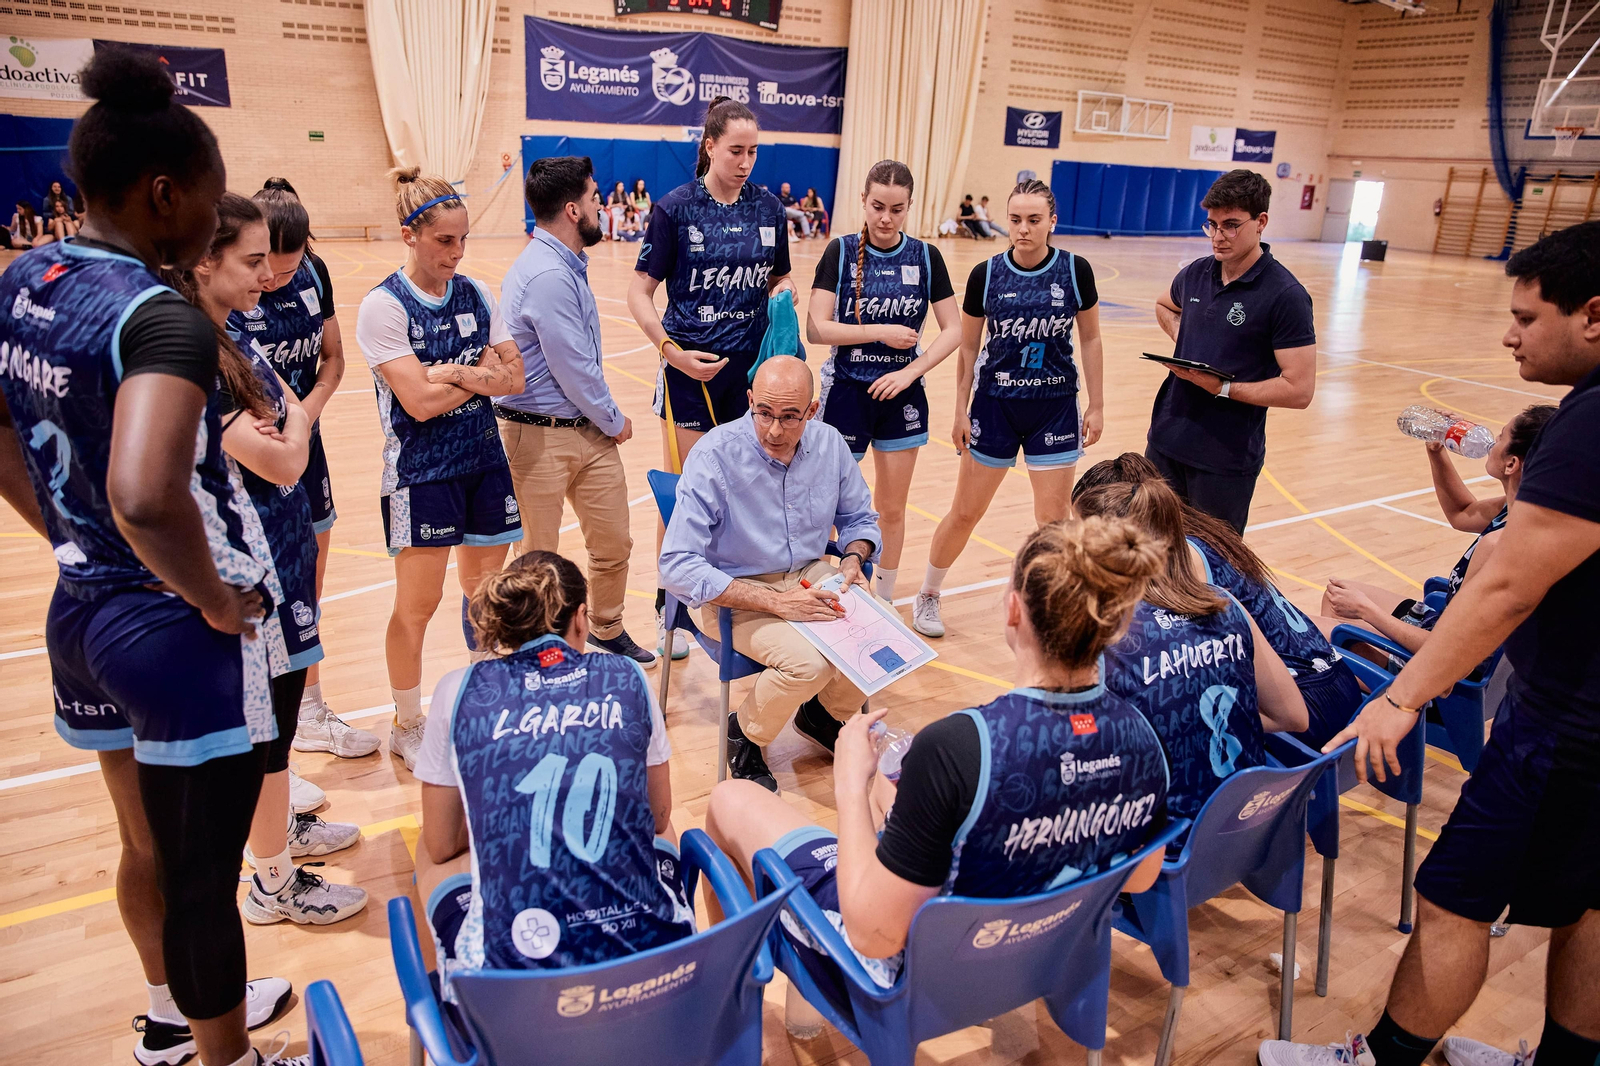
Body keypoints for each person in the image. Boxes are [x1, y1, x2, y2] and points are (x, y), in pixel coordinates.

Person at [0, 49, 302, 1066]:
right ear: (164, 194)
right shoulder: (157, 314)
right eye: (211, 203)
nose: (216, 222)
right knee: (201, 874)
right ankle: (232, 1058)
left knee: (145, 849)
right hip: (165, 631)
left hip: (78, 610)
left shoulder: (26, 276)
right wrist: (215, 600)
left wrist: (65, 534)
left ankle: (171, 1023)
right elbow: (143, 492)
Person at [1262, 220, 1600, 1066]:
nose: (1509, 334)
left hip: (1565, 726)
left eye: (1527, 317)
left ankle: (1378, 1060)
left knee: (1453, 900)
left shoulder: (1587, 428)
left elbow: (1508, 585)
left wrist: (1402, 697)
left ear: (1592, 314)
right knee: (1589, 902)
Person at [706, 515, 1172, 996]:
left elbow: (873, 936)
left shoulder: (958, 746)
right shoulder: (1140, 733)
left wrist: (850, 782)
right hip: (1050, 950)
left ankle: (727, 995)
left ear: (1014, 611)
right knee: (894, 793)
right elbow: (1141, 874)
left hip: (923, 977)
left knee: (731, 798)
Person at [175, 191, 368, 928]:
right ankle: (271, 885)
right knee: (263, 729)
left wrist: (287, 426)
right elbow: (286, 456)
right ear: (204, 261)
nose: (267, 276)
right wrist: (286, 431)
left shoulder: (236, 337)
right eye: (252, 261)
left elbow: (293, 418)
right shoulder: (195, 352)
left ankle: (279, 838)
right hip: (247, 565)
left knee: (282, 721)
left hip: (283, 549)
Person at [413, 550, 694, 985]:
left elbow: (441, 845)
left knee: (428, 847)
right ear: (581, 618)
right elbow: (657, 816)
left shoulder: (457, 689)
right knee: (663, 829)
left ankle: (451, 983)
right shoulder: (627, 674)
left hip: (519, 998)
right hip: (654, 978)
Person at [354, 168, 526, 772]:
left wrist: (447, 372)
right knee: (417, 607)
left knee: (485, 598)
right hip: (422, 474)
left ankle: (482, 704)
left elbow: (516, 380)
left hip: (484, 463)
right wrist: (473, 373)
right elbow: (417, 405)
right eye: (443, 241)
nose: (456, 253)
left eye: (462, 241)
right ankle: (407, 720)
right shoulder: (383, 307)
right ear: (410, 235)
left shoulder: (478, 295)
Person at [659, 357, 880, 789]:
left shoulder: (831, 445)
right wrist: (778, 603)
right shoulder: (715, 454)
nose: (774, 430)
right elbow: (677, 564)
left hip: (812, 576)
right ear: (749, 401)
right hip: (737, 593)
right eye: (764, 413)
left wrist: (854, 557)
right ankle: (744, 732)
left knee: (881, 636)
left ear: (812, 411)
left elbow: (859, 519)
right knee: (808, 665)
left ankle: (821, 715)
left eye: (790, 417)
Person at [628, 95, 795, 659]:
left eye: (753, 151)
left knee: (747, 491)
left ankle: (740, 595)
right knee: (686, 491)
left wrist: (782, 296)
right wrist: (670, 350)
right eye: (735, 151)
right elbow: (639, 291)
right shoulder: (676, 209)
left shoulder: (769, 209)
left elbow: (778, 278)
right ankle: (668, 607)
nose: (746, 161)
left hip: (752, 379)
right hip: (690, 373)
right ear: (709, 147)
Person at [225, 177, 377, 761]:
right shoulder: (237, 299)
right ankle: (267, 736)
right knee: (266, 588)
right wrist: (287, 425)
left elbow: (333, 360)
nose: (275, 281)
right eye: (268, 268)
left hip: (301, 439)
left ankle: (309, 709)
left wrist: (304, 416)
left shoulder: (314, 274)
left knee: (310, 576)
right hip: (257, 450)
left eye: (287, 270)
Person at [913, 180, 1105, 639]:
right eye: (1015, 219)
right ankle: (928, 593)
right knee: (965, 512)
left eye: (1034, 220)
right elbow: (967, 349)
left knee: (1054, 519)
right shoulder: (986, 274)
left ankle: (1052, 603)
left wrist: (1097, 405)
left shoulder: (1076, 271)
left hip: (1054, 408)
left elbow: (1092, 338)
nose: (1022, 228)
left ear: (1052, 221)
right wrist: (959, 410)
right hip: (994, 407)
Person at [1074, 452, 1361, 747]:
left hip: (1304, 703)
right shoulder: (1197, 533)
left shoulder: (1185, 561)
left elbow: (1187, 668)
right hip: (1333, 680)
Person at [1076, 477, 1309, 833]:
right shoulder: (1225, 604)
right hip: (1253, 828)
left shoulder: (1108, 639)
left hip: (1168, 851)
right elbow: (1295, 716)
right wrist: (1207, 728)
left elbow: (1085, 763)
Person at [497, 155, 654, 667]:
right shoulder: (547, 274)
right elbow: (574, 370)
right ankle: (541, 656)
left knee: (614, 543)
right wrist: (616, 419)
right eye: (592, 198)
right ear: (571, 209)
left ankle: (606, 628)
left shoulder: (565, 265)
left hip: (583, 433)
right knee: (537, 563)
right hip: (537, 437)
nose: (599, 207)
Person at [806, 160, 961, 603]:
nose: (886, 218)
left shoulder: (926, 257)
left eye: (897, 209)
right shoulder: (840, 251)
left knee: (891, 507)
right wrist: (879, 332)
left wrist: (910, 372)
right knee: (830, 504)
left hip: (901, 396)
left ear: (909, 206)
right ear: (863, 201)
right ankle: (830, 589)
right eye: (877, 207)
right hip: (847, 393)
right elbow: (816, 328)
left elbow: (954, 329)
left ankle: (885, 597)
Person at [1316, 404, 1557, 665]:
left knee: (1312, 634)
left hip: (1439, 664)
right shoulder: (1525, 509)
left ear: (1511, 464)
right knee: (1335, 597)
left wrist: (1366, 610)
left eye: (1500, 437)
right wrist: (1437, 449)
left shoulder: (1498, 545)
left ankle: (1373, 693)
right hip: (1445, 627)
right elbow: (1462, 512)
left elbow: (1450, 648)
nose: (1492, 441)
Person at [1147, 169, 1317, 533]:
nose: (1218, 237)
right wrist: (1184, 336)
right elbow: (1164, 305)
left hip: (1224, 458)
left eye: (1231, 225)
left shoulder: (1285, 295)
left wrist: (1222, 388)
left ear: (1261, 222)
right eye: (1211, 225)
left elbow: (1300, 389)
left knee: (1211, 570)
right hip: (1165, 441)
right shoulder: (1195, 273)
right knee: (1151, 555)